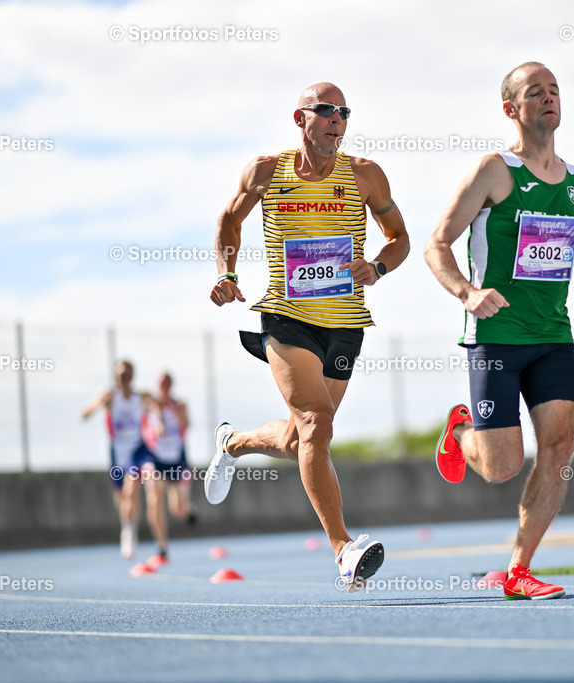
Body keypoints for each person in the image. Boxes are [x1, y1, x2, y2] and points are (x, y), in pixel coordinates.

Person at [206, 82, 410, 593]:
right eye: (326, 111)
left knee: (303, 437)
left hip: (345, 323)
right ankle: (344, 550)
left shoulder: (365, 175)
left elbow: (399, 238)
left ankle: (233, 442)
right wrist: (226, 273)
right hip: (286, 318)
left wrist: (378, 269)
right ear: (301, 119)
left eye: (344, 112)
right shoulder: (266, 171)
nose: (337, 119)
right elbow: (230, 220)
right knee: (317, 424)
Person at [424, 62, 574, 600]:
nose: (549, 98)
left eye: (555, 90)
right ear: (512, 109)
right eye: (536, 92)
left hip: (554, 335)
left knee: (559, 446)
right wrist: (467, 292)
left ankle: (518, 568)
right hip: (496, 337)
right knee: (502, 467)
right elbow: (435, 244)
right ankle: (461, 434)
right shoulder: (495, 170)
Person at [81, 360, 159, 560]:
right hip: (118, 454)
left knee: (132, 488)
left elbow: (158, 406)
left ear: (132, 376)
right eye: (120, 375)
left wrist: (158, 419)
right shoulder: (110, 396)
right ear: (116, 377)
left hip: (137, 451)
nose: (123, 379)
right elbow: (86, 413)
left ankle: (128, 535)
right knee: (124, 499)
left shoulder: (140, 397)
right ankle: (129, 526)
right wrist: (97, 406)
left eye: (127, 375)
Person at [131, 372, 198, 576]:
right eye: (161, 385)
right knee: (154, 498)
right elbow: (138, 398)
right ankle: (162, 546)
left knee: (177, 508)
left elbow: (186, 424)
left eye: (167, 384)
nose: (164, 388)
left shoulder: (180, 405)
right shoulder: (150, 404)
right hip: (155, 459)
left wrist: (171, 410)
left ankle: (188, 512)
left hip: (176, 459)